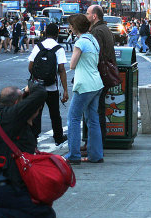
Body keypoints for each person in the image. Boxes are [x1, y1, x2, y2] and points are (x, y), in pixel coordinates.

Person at [0, 84, 56, 218]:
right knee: (46, 215)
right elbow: (40, 92)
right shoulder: (12, 116)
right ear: (16, 103)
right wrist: (27, 89)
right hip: (3, 187)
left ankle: (4, 211)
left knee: (38, 205)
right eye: (22, 100)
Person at [64, 14, 104, 164]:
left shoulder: (80, 42)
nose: (69, 28)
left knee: (73, 118)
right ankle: (96, 155)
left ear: (75, 27)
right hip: (96, 83)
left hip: (84, 85)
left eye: (71, 26)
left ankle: (74, 155)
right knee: (93, 120)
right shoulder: (93, 40)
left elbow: (72, 65)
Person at [28, 23, 68, 146]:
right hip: (52, 87)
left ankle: (34, 138)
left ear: (45, 33)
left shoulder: (38, 47)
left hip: (37, 87)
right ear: (57, 34)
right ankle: (58, 137)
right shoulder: (59, 49)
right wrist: (65, 90)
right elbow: (61, 70)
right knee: (55, 113)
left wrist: (38, 77)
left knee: (36, 114)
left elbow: (30, 66)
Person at [85, 5, 117, 152]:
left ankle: (95, 144)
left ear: (94, 16)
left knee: (95, 110)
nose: (86, 16)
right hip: (104, 75)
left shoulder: (97, 31)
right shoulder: (105, 28)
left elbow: (96, 54)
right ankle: (96, 143)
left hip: (98, 75)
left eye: (87, 13)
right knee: (98, 109)